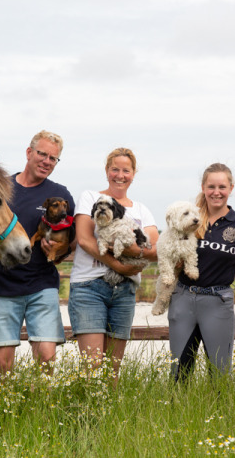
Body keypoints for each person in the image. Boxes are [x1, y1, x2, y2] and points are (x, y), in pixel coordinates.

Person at [0, 130, 75, 392]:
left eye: (53, 158)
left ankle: (42, 410)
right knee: (2, 364)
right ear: (29, 153)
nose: (47, 161)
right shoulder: (1, 189)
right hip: (2, 284)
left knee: (46, 356)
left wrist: (58, 249)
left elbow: (69, 242)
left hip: (41, 284)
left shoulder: (61, 195)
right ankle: (3, 409)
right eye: (42, 154)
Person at [168, 163, 235, 381]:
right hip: (183, 298)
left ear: (231, 188)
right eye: (211, 186)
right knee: (179, 372)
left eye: (222, 187)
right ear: (203, 187)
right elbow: (169, 250)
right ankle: (176, 413)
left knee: (221, 374)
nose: (217, 192)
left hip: (218, 300)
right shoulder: (188, 218)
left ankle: (220, 413)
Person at [68, 147, 159, 384]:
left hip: (125, 291)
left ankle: (109, 419)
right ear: (107, 171)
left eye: (125, 170)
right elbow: (86, 240)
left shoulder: (141, 210)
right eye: (114, 169)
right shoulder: (91, 197)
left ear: (133, 173)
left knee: (112, 370)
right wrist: (119, 265)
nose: (120, 175)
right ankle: (87, 418)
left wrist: (130, 251)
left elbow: (154, 250)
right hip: (89, 287)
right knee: (93, 366)